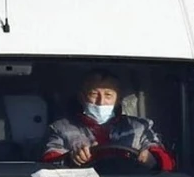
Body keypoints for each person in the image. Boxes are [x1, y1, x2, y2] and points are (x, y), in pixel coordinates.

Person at [41, 70, 175, 170]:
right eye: (94, 94)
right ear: (82, 97)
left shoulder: (139, 127)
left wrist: (153, 159)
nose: (101, 101)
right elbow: (47, 163)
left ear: (118, 100)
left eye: (108, 95)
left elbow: (167, 162)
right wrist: (70, 158)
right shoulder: (61, 128)